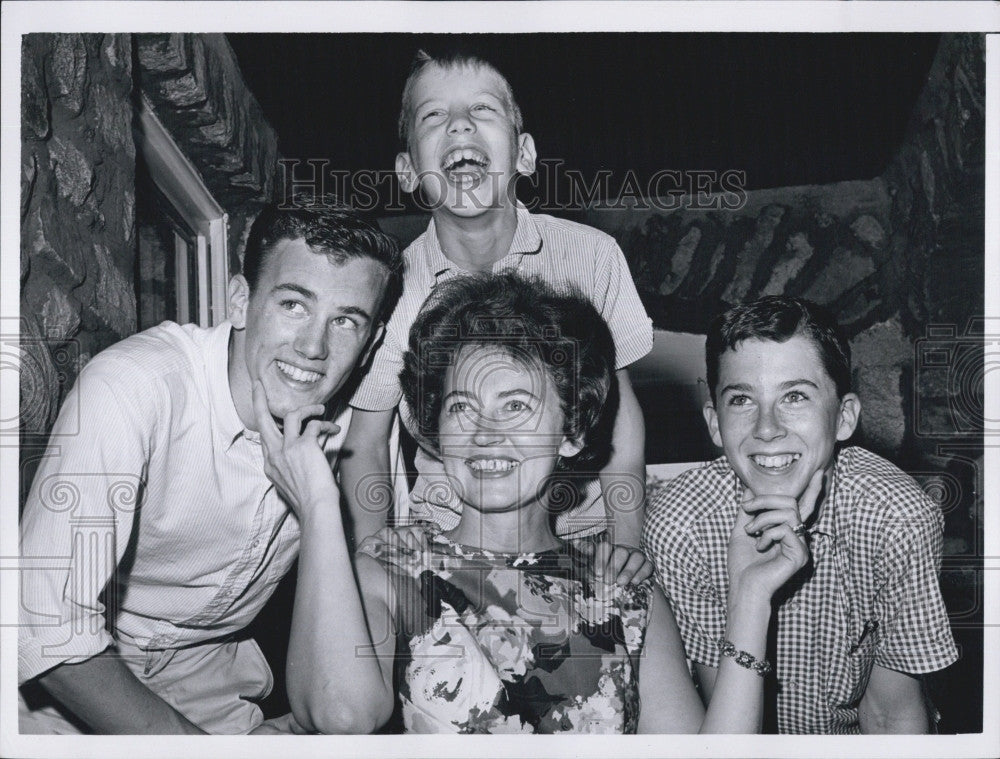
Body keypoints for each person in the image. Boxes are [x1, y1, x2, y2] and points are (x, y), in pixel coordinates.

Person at [260, 273, 811, 734]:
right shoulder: (389, 571)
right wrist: (318, 509)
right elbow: (338, 715)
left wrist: (751, 601)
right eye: (460, 408)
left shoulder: (626, 594)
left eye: (516, 406)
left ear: (571, 432)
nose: (484, 434)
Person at [17, 197, 403, 734]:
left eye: (345, 321)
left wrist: (319, 500)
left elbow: (348, 693)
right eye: (294, 305)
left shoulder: (347, 440)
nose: (314, 346)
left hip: (211, 670)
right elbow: (40, 626)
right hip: (80, 669)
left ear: (369, 345)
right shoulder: (136, 386)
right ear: (241, 301)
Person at [340, 48, 653, 568]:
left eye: (483, 110)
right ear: (408, 171)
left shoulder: (592, 256)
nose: (460, 125)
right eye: (434, 115)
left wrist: (626, 547)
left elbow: (621, 415)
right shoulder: (390, 291)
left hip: (583, 530)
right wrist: (371, 564)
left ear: (524, 155)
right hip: (449, 536)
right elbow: (366, 444)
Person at [643, 295, 959, 734]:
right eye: (741, 400)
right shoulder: (680, 522)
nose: (767, 428)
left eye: (794, 396)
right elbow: (729, 719)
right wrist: (748, 594)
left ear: (844, 417)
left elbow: (892, 714)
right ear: (715, 423)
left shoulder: (898, 519)